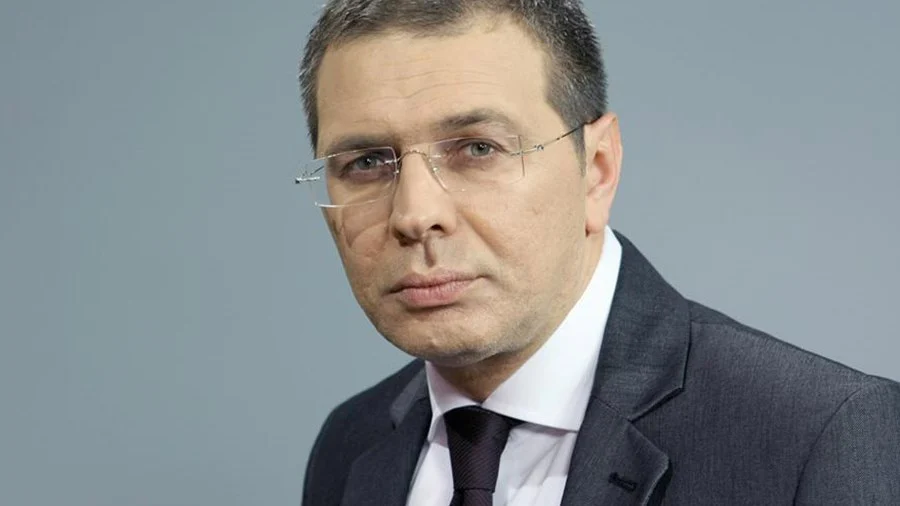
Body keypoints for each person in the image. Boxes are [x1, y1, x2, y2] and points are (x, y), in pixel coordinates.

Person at [296, 1, 900, 504]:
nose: (413, 215)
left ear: (598, 169)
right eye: (366, 162)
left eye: (478, 149)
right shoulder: (350, 442)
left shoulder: (820, 435)